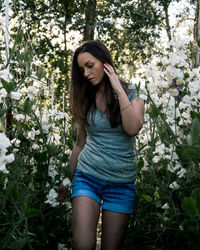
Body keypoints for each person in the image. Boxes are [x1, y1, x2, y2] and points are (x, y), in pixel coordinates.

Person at [58, 40, 144, 250]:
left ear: (104, 62)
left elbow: (133, 128)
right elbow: (80, 143)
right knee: (83, 245)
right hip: (88, 176)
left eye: (90, 65)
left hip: (121, 184)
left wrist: (118, 88)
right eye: (81, 69)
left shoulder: (133, 93)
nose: (86, 73)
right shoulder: (85, 98)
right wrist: (66, 179)